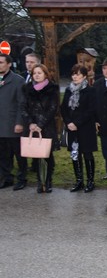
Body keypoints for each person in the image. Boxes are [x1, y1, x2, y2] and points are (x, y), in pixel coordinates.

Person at [20, 63, 60, 193]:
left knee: (47, 155)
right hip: (32, 127)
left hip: (46, 127)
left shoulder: (52, 89)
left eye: (39, 73)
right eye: (34, 73)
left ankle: (47, 181)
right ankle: (39, 181)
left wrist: (40, 124)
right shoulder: (27, 89)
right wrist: (31, 123)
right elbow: (23, 107)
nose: (36, 75)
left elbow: (53, 108)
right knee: (36, 155)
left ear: (45, 74)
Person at [60, 64, 98, 193]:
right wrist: (68, 122)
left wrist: (77, 123)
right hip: (71, 128)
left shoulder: (90, 90)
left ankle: (90, 181)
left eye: (78, 74)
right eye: (73, 74)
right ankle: (79, 180)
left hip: (85, 127)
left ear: (84, 76)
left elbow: (91, 110)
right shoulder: (68, 90)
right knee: (75, 154)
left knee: (87, 153)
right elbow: (63, 108)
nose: (74, 77)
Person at [0, 54, 27, 191]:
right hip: (1, 124)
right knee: (3, 154)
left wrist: (19, 122)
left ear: (9, 64)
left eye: (1, 62)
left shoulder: (18, 80)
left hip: (13, 124)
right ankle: (6, 178)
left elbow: (22, 103)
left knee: (19, 154)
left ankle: (22, 179)